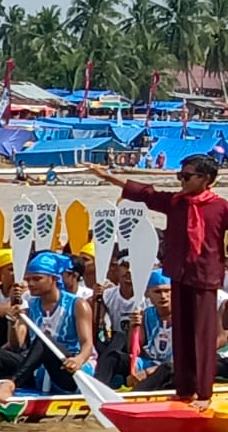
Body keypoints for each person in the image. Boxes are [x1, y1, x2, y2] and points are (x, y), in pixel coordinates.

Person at [90, 155, 228, 406]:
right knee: (182, 335)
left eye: (187, 176)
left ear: (205, 179)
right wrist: (107, 177)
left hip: (206, 277)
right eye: (180, 176)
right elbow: (145, 193)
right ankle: (185, 390)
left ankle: (204, 394)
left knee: (202, 336)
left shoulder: (221, 207)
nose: (181, 181)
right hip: (178, 273)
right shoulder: (176, 202)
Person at [0, 252, 96, 402]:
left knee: (44, 341)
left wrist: (78, 359)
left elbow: (87, 345)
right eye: (28, 279)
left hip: (70, 370)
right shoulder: (30, 304)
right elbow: (16, 345)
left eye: (37, 279)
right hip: (40, 368)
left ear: (53, 279)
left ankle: (11, 384)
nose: (30, 284)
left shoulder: (78, 304)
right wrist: (14, 320)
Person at [96, 270, 173, 389]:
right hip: (151, 362)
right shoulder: (146, 315)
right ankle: (97, 390)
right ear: (147, 294)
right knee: (113, 357)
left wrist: (147, 372)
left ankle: (137, 393)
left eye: (167, 291)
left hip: (174, 368)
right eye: (157, 292)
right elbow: (133, 350)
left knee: (167, 368)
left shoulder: (184, 317)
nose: (163, 296)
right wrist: (134, 327)